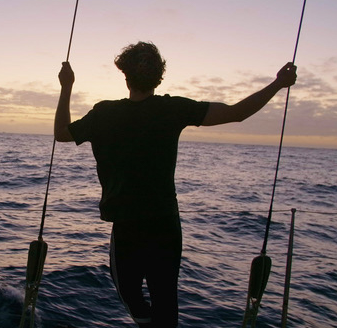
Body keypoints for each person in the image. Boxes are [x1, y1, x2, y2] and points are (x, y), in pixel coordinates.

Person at [53, 41, 297, 327]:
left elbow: (61, 133)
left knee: (130, 293)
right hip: (165, 225)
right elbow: (236, 112)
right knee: (164, 299)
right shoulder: (172, 109)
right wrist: (278, 84)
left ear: (125, 75)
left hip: (128, 225)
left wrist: (67, 86)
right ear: (159, 77)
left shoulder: (105, 113)